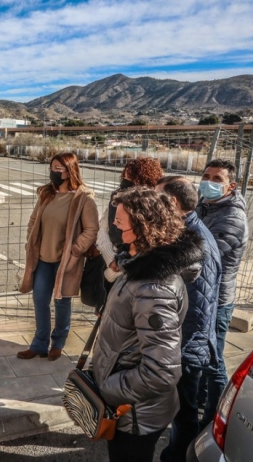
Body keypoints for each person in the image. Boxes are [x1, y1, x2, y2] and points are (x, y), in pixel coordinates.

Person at [91, 187, 203, 462]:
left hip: (135, 413)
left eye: (118, 223)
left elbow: (161, 372)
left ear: (142, 228)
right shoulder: (138, 265)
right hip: (128, 404)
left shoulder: (154, 288)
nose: (112, 228)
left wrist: (108, 388)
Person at [156, 176, 222, 462]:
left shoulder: (197, 244)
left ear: (172, 202)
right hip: (182, 342)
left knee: (183, 412)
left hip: (186, 345)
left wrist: (178, 350)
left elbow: (198, 308)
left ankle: (178, 457)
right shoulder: (184, 231)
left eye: (157, 197)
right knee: (179, 408)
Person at [17, 152, 98, 361]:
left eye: (57, 169)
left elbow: (91, 229)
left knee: (62, 302)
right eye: (51, 167)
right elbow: (34, 220)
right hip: (43, 259)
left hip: (66, 261)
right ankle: (39, 344)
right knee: (40, 300)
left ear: (69, 171)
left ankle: (58, 343)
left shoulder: (83, 198)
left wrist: (75, 250)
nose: (53, 172)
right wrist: (30, 241)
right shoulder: (47, 194)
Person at [196, 159, 249, 427]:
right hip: (203, 295)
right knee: (202, 359)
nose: (209, 182)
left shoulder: (233, 217)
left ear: (231, 186)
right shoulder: (204, 206)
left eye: (217, 179)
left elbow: (205, 254)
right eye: (206, 176)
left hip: (217, 300)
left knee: (213, 361)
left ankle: (214, 419)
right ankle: (201, 402)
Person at [96, 157, 163, 286]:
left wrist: (124, 265)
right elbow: (103, 230)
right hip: (111, 267)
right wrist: (111, 260)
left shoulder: (154, 206)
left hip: (138, 273)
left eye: (132, 177)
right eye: (125, 175)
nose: (126, 181)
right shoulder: (116, 199)